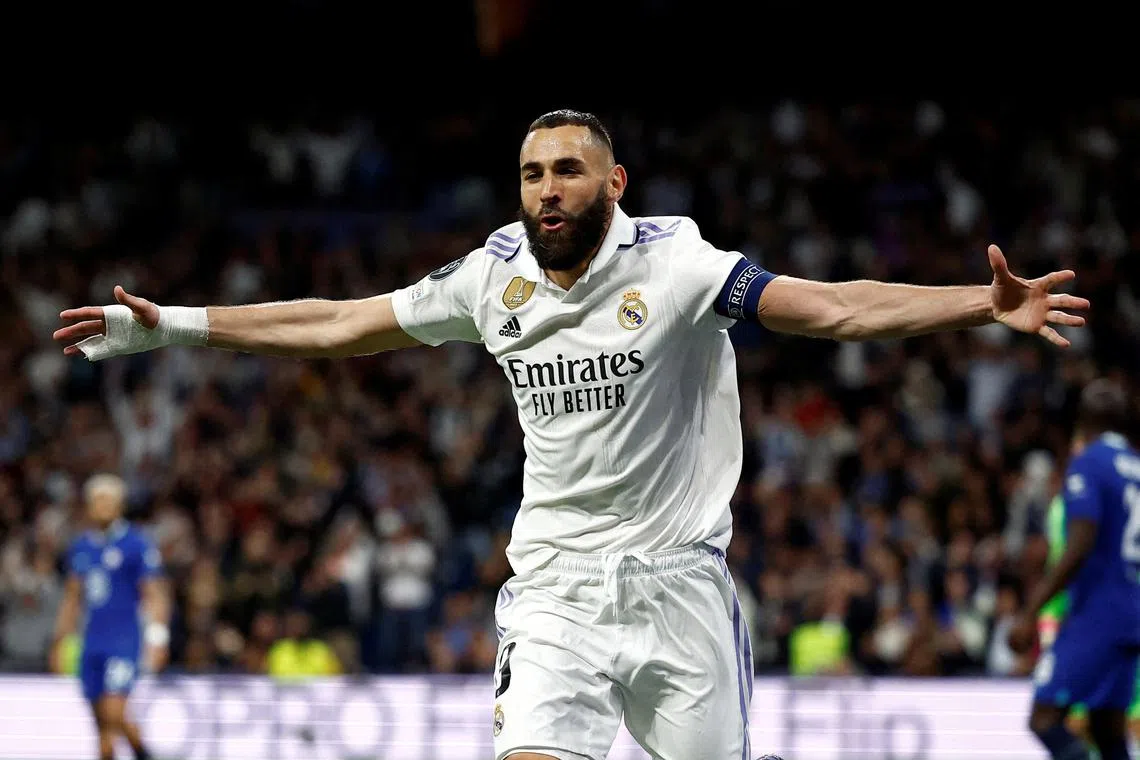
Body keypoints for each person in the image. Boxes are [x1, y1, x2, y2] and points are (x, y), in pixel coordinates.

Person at [54, 109, 1089, 760]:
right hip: (555, 591)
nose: (548, 189)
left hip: (681, 589)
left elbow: (833, 309)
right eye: (532, 174)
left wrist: (977, 304)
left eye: (568, 171)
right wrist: (171, 326)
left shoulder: (677, 265)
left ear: (615, 183)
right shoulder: (491, 278)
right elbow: (336, 322)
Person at [1009, 379, 1140, 760]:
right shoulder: (1136, 466)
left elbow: (1080, 544)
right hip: (1132, 614)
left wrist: (1029, 611)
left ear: (1081, 421)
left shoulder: (1089, 462)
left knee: (1044, 719)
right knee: (1106, 729)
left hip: (1098, 614)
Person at [50, 474, 170, 760]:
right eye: (97, 500)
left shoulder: (136, 544)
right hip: (92, 641)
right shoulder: (81, 546)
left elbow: (154, 593)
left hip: (124, 640)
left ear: (120, 505)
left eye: (108, 499)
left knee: (114, 712)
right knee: (102, 726)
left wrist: (158, 637)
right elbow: (72, 598)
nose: (102, 505)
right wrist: (59, 641)